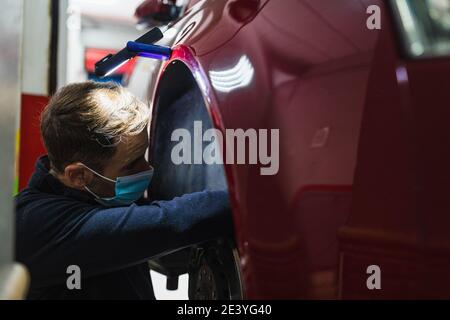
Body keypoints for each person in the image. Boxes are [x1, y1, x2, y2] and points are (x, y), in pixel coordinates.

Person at [14, 81, 233, 300]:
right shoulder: (37, 224)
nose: (147, 169)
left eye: (143, 156)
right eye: (132, 164)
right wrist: (248, 201)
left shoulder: (96, 197)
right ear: (79, 175)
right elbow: (169, 221)